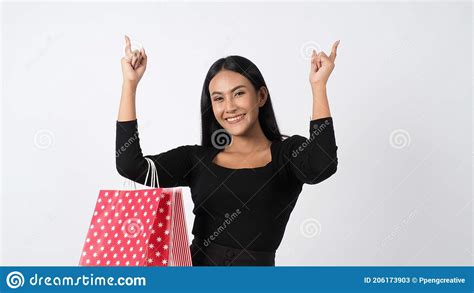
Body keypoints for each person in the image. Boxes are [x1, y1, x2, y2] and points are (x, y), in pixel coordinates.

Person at [116, 35, 340, 266]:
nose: (230, 107)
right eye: (218, 98)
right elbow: (130, 166)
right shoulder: (196, 159)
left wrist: (318, 86)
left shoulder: (287, 154)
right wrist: (129, 85)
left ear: (261, 96)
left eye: (239, 93)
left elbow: (322, 165)